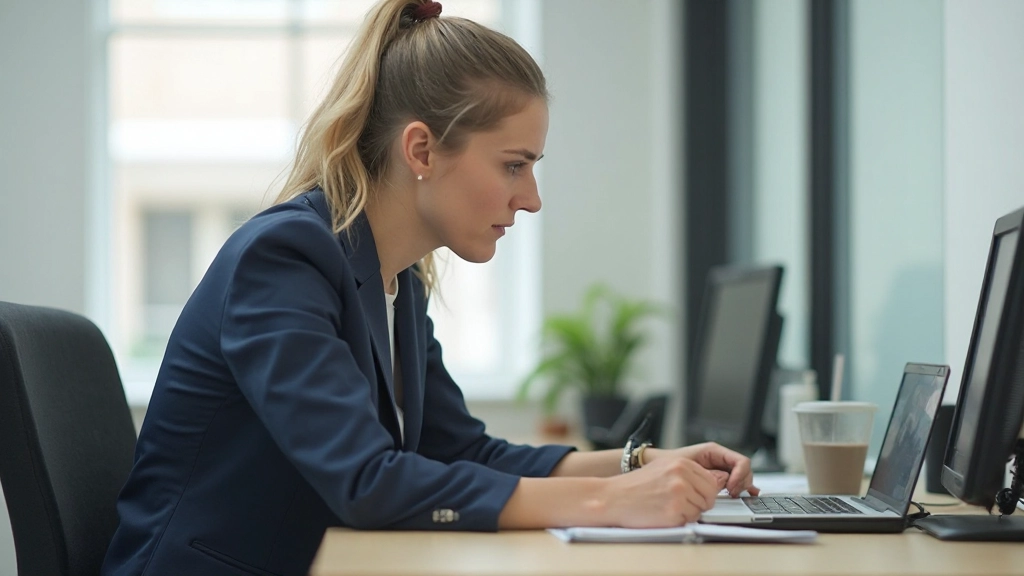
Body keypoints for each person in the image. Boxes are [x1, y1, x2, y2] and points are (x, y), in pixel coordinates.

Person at [101, 1, 759, 574]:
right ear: (420, 151)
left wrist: (635, 466)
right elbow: (367, 481)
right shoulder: (284, 259)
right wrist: (609, 504)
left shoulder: (396, 282)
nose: (530, 199)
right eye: (513, 165)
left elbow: (463, 451)